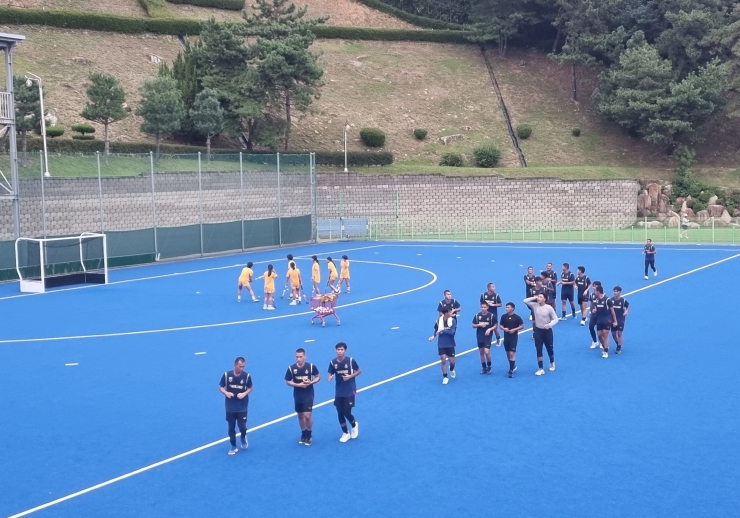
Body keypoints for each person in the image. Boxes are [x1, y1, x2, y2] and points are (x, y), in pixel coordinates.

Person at [285, 348, 321, 446]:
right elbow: (288, 381)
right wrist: (298, 385)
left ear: (305, 356)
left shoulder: (311, 367)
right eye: (297, 357)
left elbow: (318, 376)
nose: (298, 359)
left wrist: (311, 382)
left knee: (307, 415)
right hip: (298, 395)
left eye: (300, 357)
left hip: (308, 394)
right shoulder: (291, 368)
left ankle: (309, 434)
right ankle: (303, 433)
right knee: (300, 415)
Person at [218, 357, 253, 456]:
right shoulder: (227, 375)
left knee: (242, 427)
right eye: (240, 366)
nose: (242, 369)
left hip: (242, 406)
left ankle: (243, 437)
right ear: (234, 365)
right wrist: (226, 393)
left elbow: (250, 388)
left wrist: (244, 394)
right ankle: (233, 446)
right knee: (231, 427)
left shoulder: (246, 376)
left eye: (243, 367)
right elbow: (220, 387)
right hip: (230, 406)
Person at [328, 342, 361, 442]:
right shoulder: (333, 362)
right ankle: (345, 433)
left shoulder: (350, 361)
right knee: (339, 412)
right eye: (338, 349)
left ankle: (354, 424)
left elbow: (359, 371)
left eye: (341, 350)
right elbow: (331, 372)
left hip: (350, 390)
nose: (339, 351)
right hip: (339, 391)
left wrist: (350, 376)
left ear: (345, 351)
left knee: (346, 411)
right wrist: (330, 376)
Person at [524, 292, 559, 375]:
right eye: (538, 297)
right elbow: (525, 301)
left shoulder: (549, 308)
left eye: (540, 297)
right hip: (538, 331)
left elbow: (556, 319)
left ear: (545, 299)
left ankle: (552, 362)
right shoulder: (534, 305)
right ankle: (540, 368)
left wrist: (549, 324)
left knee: (549, 348)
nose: (538, 298)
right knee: (538, 349)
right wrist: (535, 297)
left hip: (547, 331)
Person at [428, 306, 457, 384]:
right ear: (445, 313)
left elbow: (452, 332)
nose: (451, 313)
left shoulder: (453, 321)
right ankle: (445, 376)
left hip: (450, 343)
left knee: (452, 361)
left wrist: (443, 330)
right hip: (441, 344)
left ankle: (451, 369)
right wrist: (433, 336)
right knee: (443, 359)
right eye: (450, 312)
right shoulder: (438, 321)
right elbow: (436, 330)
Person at [499, 302, 524, 378]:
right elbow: (501, 325)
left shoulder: (517, 317)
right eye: (506, 307)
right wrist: (504, 329)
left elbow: (522, 326)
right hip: (506, 338)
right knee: (508, 354)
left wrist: (514, 329)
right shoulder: (503, 316)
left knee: (512, 353)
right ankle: (513, 365)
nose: (506, 308)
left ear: (512, 308)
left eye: (508, 307)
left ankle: (510, 370)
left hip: (513, 337)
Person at [472, 301, 498, 375]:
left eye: (484, 307)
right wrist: (479, 325)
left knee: (486, 352)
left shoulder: (491, 316)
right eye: (482, 307)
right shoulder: (477, 315)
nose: (483, 309)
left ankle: (489, 366)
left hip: (487, 336)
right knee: (481, 352)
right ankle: (484, 367)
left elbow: (495, 325)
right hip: (479, 336)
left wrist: (489, 329)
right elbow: (473, 325)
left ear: (487, 307)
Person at [591, 285, 612, 358]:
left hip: (607, 319)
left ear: (598, 291)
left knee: (605, 334)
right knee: (600, 335)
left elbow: (612, 310)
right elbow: (597, 308)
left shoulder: (607, 300)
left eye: (595, 291)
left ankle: (605, 351)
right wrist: (595, 310)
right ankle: (604, 346)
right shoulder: (597, 300)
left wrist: (615, 321)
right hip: (599, 319)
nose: (594, 292)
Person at [608, 286, 630, 355]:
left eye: (616, 291)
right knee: (613, 334)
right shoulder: (611, 300)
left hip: (620, 319)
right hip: (613, 319)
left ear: (620, 292)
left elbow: (628, 306)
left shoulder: (623, 300)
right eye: (614, 291)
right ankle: (618, 343)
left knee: (619, 333)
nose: (615, 293)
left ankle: (619, 347)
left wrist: (626, 311)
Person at [587, 281, 602, 349]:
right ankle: (595, 341)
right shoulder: (592, 295)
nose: (593, 287)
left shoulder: (602, 295)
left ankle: (602, 342)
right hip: (594, 314)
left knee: (600, 329)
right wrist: (590, 312)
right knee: (591, 327)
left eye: (595, 286)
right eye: (593, 286)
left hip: (600, 315)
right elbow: (591, 304)